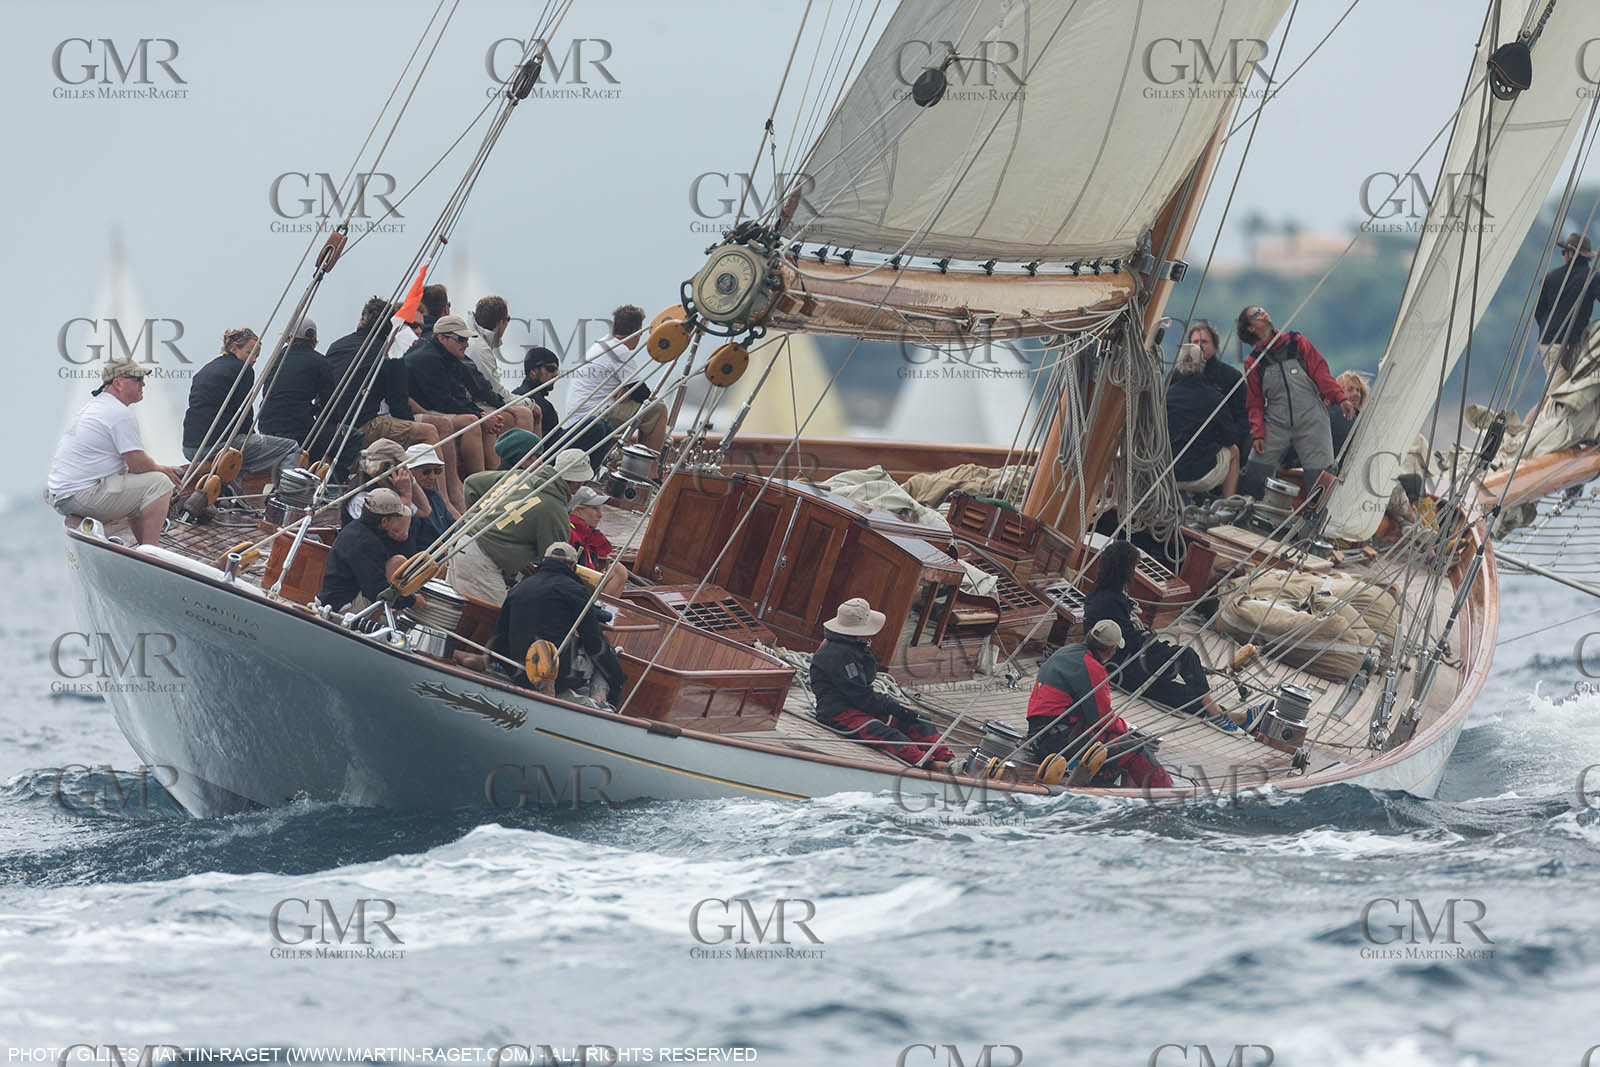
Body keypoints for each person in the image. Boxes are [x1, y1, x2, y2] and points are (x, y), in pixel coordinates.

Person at [320, 296, 463, 512]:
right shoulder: (390, 351)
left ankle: (448, 493)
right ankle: (444, 501)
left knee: (432, 426)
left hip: (337, 427)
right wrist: (408, 432)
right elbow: (399, 406)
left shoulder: (337, 345)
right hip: (365, 425)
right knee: (429, 431)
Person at [1084, 541, 1247, 727]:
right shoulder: (1109, 600)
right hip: (1127, 666)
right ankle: (1217, 713)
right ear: (1125, 570)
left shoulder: (1103, 594)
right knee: (1185, 656)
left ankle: (1233, 717)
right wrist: (1156, 644)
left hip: (1122, 673)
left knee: (1179, 694)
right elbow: (1128, 641)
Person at [1024, 620, 1173, 789]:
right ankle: (1168, 795)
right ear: (1111, 650)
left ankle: (1107, 780)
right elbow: (1101, 720)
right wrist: (1127, 731)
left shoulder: (1065, 652)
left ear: (1089, 636)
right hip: (1058, 741)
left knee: (1113, 745)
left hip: (1038, 735)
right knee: (1134, 750)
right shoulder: (1093, 668)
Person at [809, 598, 956, 770]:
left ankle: (949, 760)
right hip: (839, 713)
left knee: (918, 720)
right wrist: (896, 708)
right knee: (889, 734)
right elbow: (863, 696)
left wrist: (904, 712)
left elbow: (867, 683)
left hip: (857, 706)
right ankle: (930, 764)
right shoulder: (838, 654)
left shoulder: (851, 646)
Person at [46, 359, 182, 544]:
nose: (143, 384)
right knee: (160, 484)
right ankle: (152, 551)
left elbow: (134, 469)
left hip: (65, 496)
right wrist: (162, 469)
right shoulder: (118, 413)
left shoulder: (96, 406)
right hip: (80, 495)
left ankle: (142, 547)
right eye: (137, 379)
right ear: (118, 383)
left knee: (141, 485)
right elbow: (137, 463)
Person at [450, 443, 594, 605]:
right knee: (498, 619)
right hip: (481, 560)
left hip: (459, 540)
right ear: (579, 483)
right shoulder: (555, 510)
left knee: (453, 606)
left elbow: (472, 483)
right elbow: (555, 562)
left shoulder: (518, 476)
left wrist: (479, 517)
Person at [1236, 306, 1353, 498]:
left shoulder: (1296, 342)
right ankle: (1249, 515)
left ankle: (1317, 523)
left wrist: (1340, 397)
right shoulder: (1253, 362)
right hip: (1276, 423)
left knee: (1321, 479)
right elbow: (1255, 402)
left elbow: (1321, 372)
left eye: (1263, 310)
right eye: (1256, 314)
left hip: (1312, 420)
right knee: (1255, 472)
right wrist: (1258, 434)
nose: (1263, 312)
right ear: (1250, 328)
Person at [491, 541, 627, 703]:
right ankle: (599, 701)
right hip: (556, 676)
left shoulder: (519, 588)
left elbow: (499, 638)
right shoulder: (575, 590)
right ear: (573, 567)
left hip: (519, 672)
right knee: (606, 652)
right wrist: (617, 680)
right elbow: (594, 642)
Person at [405, 313, 534, 481]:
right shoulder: (427, 359)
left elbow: (477, 388)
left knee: (488, 420)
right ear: (442, 338)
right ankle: (481, 481)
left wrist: (493, 410)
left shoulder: (450, 357)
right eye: (460, 339)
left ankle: (505, 477)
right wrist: (480, 415)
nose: (466, 344)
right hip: (422, 410)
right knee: (472, 422)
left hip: (436, 406)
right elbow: (443, 401)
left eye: (466, 340)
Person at [181, 327, 301, 483]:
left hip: (191, 447)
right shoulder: (243, 370)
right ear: (233, 348)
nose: (254, 359)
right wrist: (253, 437)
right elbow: (244, 412)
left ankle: (233, 498)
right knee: (290, 448)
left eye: (257, 356)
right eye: (250, 353)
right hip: (218, 445)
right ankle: (289, 499)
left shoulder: (207, 368)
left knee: (244, 458)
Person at [566, 305, 669, 458]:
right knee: (658, 409)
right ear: (637, 331)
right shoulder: (619, 350)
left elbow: (635, 389)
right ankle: (649, 471)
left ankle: (636, 461)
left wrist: (628, 390)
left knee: (648, 410)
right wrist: (631, 391)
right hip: (594, 415)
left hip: (578, 414)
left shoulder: (603, 342)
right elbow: (644, 395)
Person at [318, 487, 421, 613]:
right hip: (342, 608)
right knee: (397, 564)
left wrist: (403, 535)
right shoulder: (367, 543)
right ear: (385, 521)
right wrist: (412, 602)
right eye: (398, 517)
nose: (399, 520)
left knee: (398, 561)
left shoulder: (355, 529)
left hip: (334, 600)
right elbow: (377, 592)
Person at [1166, 342, 1241, 498]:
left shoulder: (1164, 396)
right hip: (1199, 477)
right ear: (1203, 363)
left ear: (1177, 364)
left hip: (1165, 474)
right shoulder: (1215, 398)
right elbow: (1229, 439)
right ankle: (1226, 507)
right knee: (1234, 451)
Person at [1534, 232, 1600, 390]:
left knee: (1558, 394)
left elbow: (1538, 313)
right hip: (1569, 346)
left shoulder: (1550, 278)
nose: (1563, 255)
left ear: (1571, 254)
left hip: (1547, 344)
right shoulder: (1591, 277)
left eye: (1564, 252)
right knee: (1554, 397)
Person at [258, 316, 334, 444]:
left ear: (288, 338)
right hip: (298, 430)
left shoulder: (275, 359)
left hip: (266, 428)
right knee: (350, 439)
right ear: (314, 340)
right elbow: (329, 404)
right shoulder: (320, 362)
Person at [342, 438, 430, 543]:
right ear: (385, 466)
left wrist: (412, 482)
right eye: (401, 465)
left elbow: (425, 511)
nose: (405, 470)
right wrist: (406, 494)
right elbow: (400, 532)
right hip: (372, 554)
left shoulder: (389, 486)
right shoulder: (360, 495)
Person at [1188, 319, 1250, 457]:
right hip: (1185, 445)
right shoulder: (1178, 378)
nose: (1199, 346)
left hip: (1220, 446)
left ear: (1215, 346)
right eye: (1195, 342)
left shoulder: (1232, 377)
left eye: (1204, 342)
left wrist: (1227, 441)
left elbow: (1243, 419)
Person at [464, 296, 528, 414]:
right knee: (525, 413)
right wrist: (527, 403)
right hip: (471, 404)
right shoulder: (480, 348)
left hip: (467, 401)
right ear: (500, 322)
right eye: (508, 319)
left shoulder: (472, 339)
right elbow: (495, 391)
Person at [569, 484, 627, 597]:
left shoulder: (586, 536)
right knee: (618, 571)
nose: (600, 515)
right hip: (574, 591)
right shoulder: (571, 535)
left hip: (580, 588)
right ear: (578, 511)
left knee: (617, 569)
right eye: (595, 509)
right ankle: (595, 610)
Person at [405, 443, 456, 550]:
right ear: (410, 472)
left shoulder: (436, 496)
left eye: (437, 471)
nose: (433, 477)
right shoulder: (407, 503)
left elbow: (452, 527)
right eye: (426, 471)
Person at [515, 346, 562, 448]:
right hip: (543, 455)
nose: (556, 374)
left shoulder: (516, 395)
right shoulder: (536, 402)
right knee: (596, 427)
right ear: (533, 371)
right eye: (551, 369)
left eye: (557, 370)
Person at [1329, 370, 1369, 462]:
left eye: (1358, 390)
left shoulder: (1358, 416)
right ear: (1339, 392)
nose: (1356, 394)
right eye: (1350, 390)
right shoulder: (1340, 414)